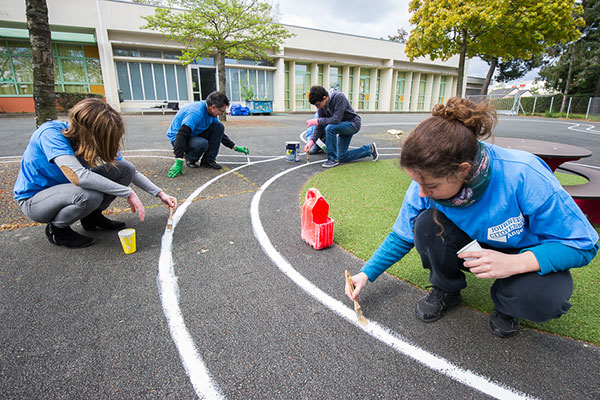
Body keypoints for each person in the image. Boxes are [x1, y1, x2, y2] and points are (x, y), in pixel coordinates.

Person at [345, 97, 598, 338]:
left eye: (430, 185)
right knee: (424, 223)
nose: (421, 192)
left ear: (463, 170)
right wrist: (366, 274)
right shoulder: (426, 182)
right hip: (473, 245)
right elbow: (401, 235)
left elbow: (584, 245)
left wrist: (515, 263)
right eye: (416, 182)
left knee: (544, 299)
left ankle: (508, 305)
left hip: (523, 252)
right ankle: (447, 289)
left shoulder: (523, 174)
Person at [14, 98, 178, 249]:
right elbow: (77, 176)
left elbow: (131, 172)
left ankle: (91, 218)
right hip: (35, 200)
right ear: (89, 133)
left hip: (70, 190)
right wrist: (127, 192)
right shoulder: (51, 134)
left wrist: (160, 193)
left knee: (124, 168)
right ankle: (57, 230)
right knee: (88, 195)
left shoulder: (88, 137)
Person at [166, 91, 249, 177]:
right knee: (201, 143)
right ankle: (190, 158)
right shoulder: (196, 113)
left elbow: (220, 134)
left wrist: (234, 147)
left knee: (219, 126)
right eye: (221, 111)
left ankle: (208, 160)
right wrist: (178, 161)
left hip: (193, 133)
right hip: (177, 137)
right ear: (213, 107)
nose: (222, 113)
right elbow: (181, 134)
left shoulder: (210, 113)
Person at [304, 85, 378, 168]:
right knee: (342, 156)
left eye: (317, 104)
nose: (317, 107)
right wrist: (311, 142)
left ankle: (332, 159)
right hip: (341, 127)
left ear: (324, 98)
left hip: (352, 124)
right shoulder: (322, 107)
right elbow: (319, 126)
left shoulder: (339, 97)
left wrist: (317, 121)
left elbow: (336, 119)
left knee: (330, 128)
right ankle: (369, 149)